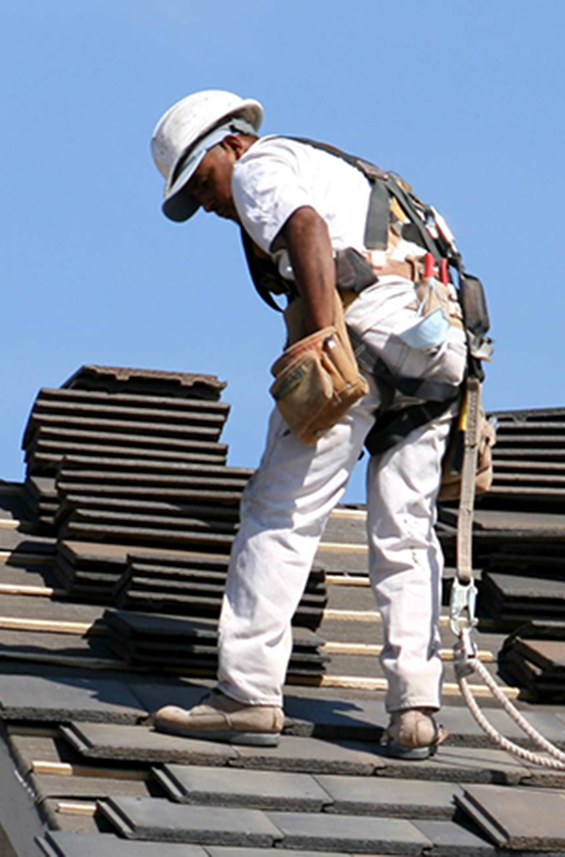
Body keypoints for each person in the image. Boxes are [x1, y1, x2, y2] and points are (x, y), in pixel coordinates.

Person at [144, 90, 468, 758]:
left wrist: (323, 342)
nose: (207, 204)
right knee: (406, 527)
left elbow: (307, 230)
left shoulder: (262, 166)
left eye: (203, 181)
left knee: (280, 510)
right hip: (440, 343)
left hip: (368, 321)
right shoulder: (360, 176)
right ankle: (415, 709)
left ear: (231, 143)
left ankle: (248, 692)